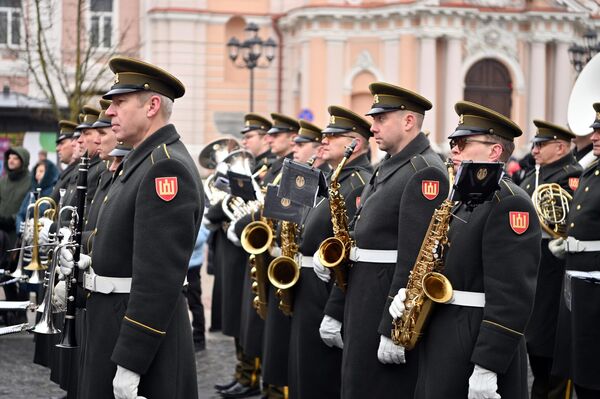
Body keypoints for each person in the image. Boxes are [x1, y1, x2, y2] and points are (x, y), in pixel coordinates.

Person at [60, 56, 203, 399]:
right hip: (111, 322)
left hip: (139, 337)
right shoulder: (140, 161)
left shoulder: (165, 167)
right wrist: (87, 264)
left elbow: (158, 279)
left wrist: (131, 363)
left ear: (152, 105)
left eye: (120, 102)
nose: (110, 112)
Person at [389, 101, 541, 398]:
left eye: (462, 143)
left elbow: (512, 297)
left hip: (474, 345)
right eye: (452, 143)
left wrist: (487, 365)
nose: (453, 150)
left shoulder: (510, 202)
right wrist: (410, 294)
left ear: (494, 151)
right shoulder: (463, 198)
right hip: (446, 337)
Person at [324, 83, 448, 399]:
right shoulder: (389, 166)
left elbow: (416, 259)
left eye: (381, 119)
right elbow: (358, 239)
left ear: (408, 122)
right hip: (363, 296)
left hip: (384, 303)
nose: (372, 128)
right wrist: (337, 306)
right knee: (356, 384)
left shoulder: (425, 171)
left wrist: (394, 327)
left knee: (380, 388)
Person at [289, 107, 372, 399]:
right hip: (310, 282)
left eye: (333, 136)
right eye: (324, 136)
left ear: (356, 144)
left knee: (320, 374)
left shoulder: (359, 182)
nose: (323, 141)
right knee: (305, 368)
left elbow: (350, 240)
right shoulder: (335, 177)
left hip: (326, 286)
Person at [230, 112, 298, 399]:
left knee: (274, 330)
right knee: (258, 325)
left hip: (280, 256)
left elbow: (278, 209)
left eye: (276, 135)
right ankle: (257, 379)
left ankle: (270, 385)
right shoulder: (273, 167)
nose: (270, 138)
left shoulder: (290, 169)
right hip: (264, 252)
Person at [518, 120, 582, 399]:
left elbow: (566, 220)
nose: (534, 150)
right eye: (534, 144)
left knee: (553, 350)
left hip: (555, 271)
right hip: (532, 270)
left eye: (541, 145)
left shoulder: (572, 176)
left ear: (560, 147)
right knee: (535, 345)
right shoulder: (534, 176)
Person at [212, 113, 274, 398]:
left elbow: (263, 207)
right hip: (236, 248)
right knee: (238, 317)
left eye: (250, 137)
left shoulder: (271, 169)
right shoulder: (261, 169)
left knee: (250, 320)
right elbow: (217, 210)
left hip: (253, 251)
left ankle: (252, 374)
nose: (245, 141)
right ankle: (244, 372)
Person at [550, 102, 600, 399]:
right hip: (577, 279)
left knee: (594, 369)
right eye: (594, 130)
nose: (594, 136)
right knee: (578, 366)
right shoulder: (590, 173)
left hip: (596, 282)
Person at [187, 224, 210, 352]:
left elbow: (200, 238)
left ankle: (199, 338)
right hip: (178, 267)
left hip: (192, 269)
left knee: (195, 304)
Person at [50, 121, 79, 204]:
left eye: (62, 143)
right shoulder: (69, 171)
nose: (57, 149)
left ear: (75, 143)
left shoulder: (77, 171)